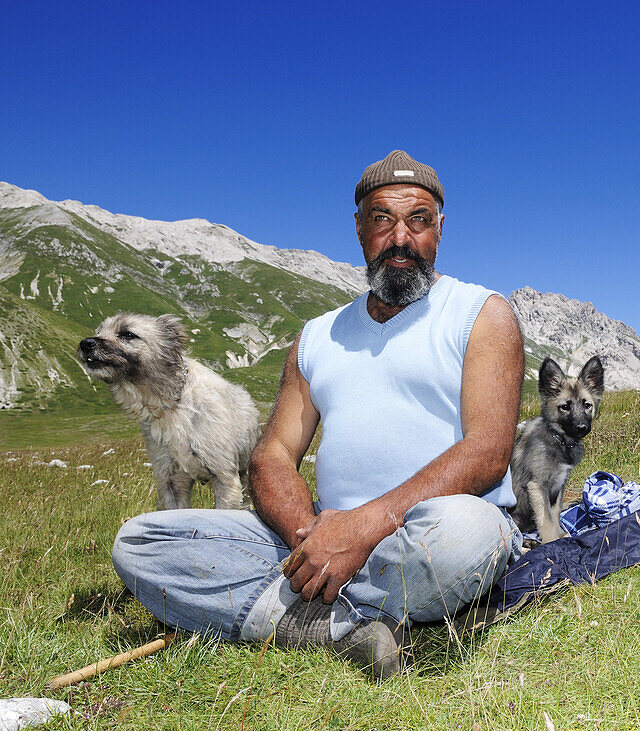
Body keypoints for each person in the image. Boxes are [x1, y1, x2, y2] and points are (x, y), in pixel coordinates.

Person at [112, 150, 525, 678]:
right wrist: (311, 537)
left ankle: (304, 620)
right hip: (316, 535)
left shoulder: (481, 314)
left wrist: (364, 528)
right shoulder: (317, 337)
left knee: (467, 532)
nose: (401, 238)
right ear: (358, 228)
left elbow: (487, 453)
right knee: (142, 541)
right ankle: (355, 621)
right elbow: (272, 455)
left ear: (440, 228)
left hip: (426, 528)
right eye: (382, 219)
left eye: (418, 220)